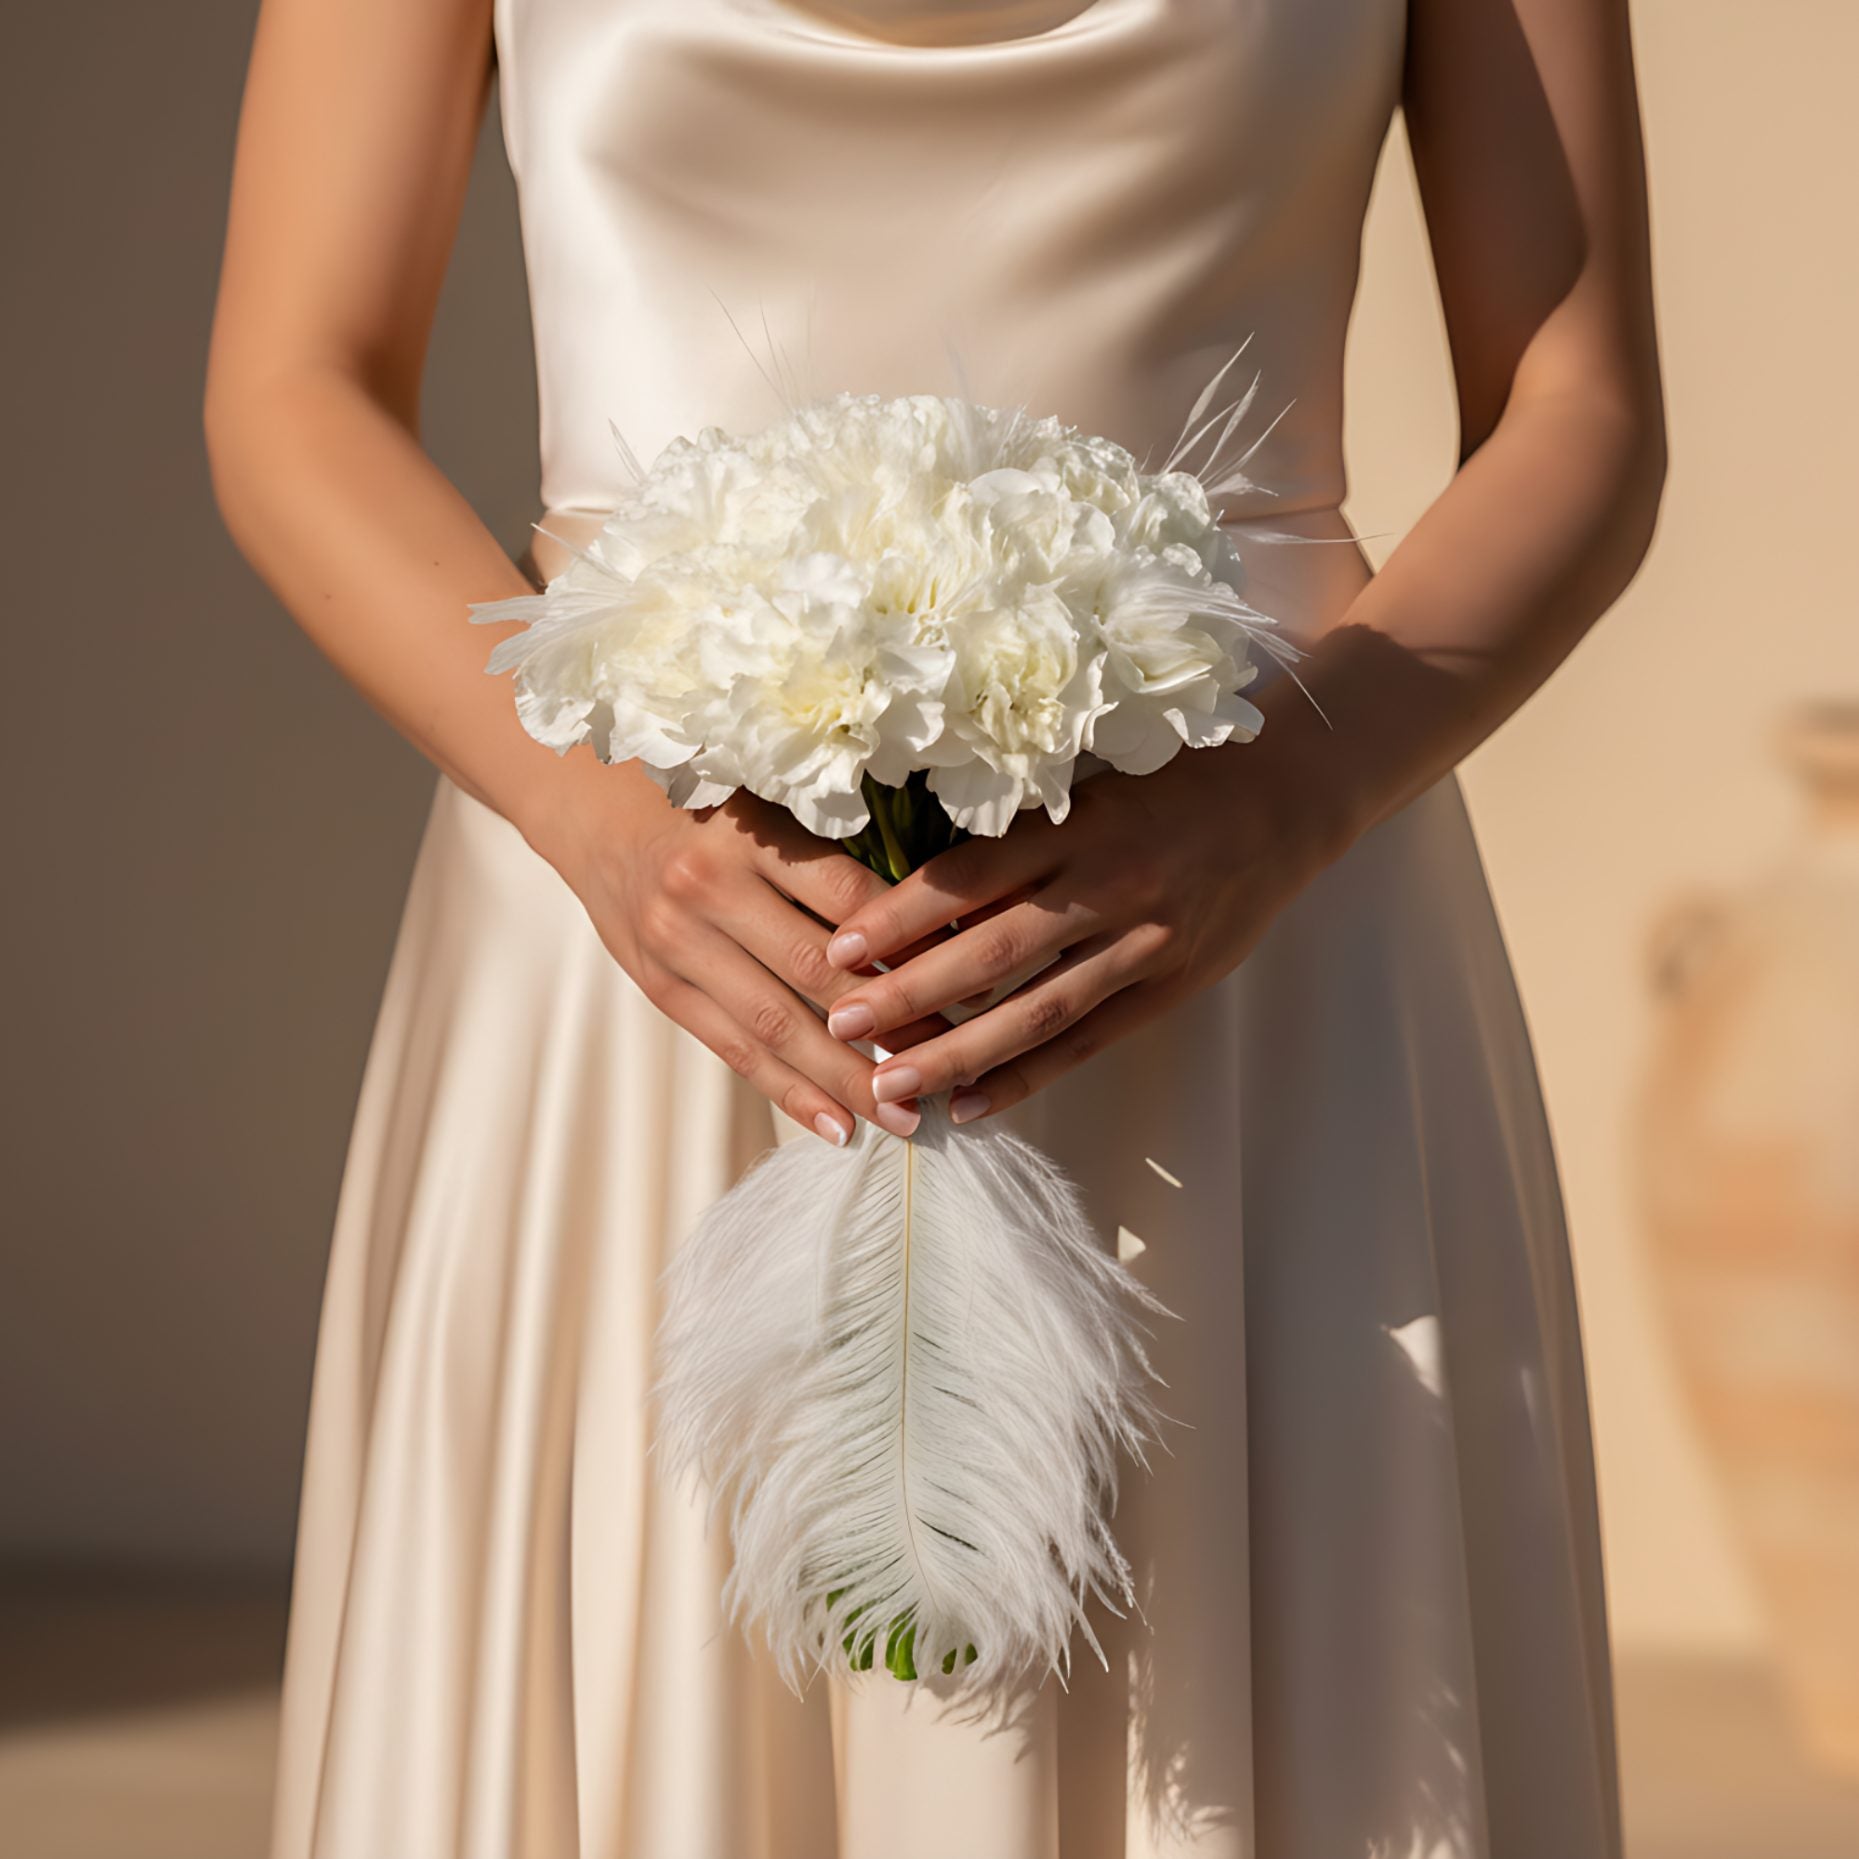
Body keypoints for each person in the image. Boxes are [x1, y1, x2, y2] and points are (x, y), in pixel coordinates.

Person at [205, 1, 1665, 1854]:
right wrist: (588, 810)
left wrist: (1278, 802)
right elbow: (293, 378)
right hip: (652, 946)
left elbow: (1580, 401)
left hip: (1252, 940)